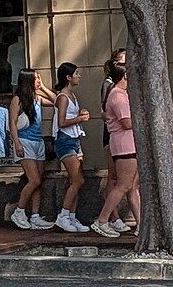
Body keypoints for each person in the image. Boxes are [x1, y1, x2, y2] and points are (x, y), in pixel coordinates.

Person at [93, 52, 139, 238]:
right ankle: (102, 220)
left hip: (129, 145)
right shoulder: (118, 95)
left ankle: (141, 223)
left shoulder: (121, 94)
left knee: (132, 186)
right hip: (124, 145)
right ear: (125, 75)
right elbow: (126, 122)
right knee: (123, 185)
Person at [49, 61, 90, 233]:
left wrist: (81, 115)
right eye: (76, 73)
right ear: (68, 77)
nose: (79, 76)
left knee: (76, 180)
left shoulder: (72, 96)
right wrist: (79, 119)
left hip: (74, 138)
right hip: (65, 140)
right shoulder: (63, 97)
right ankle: (63, 216)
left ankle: (72, 216)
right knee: (78, 179)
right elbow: (62, 122)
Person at [8, 68, 48, 229]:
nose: (38, 81)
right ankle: (19, 211)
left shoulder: (37, 98)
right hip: (25, 141)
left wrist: (43, 87)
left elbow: (56, 100)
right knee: (34, 179)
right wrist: (16, 143)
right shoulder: (17, 100)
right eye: (36, 79)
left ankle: (35, 215)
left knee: (39, 181)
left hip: (38, 141)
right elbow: (12, 123)